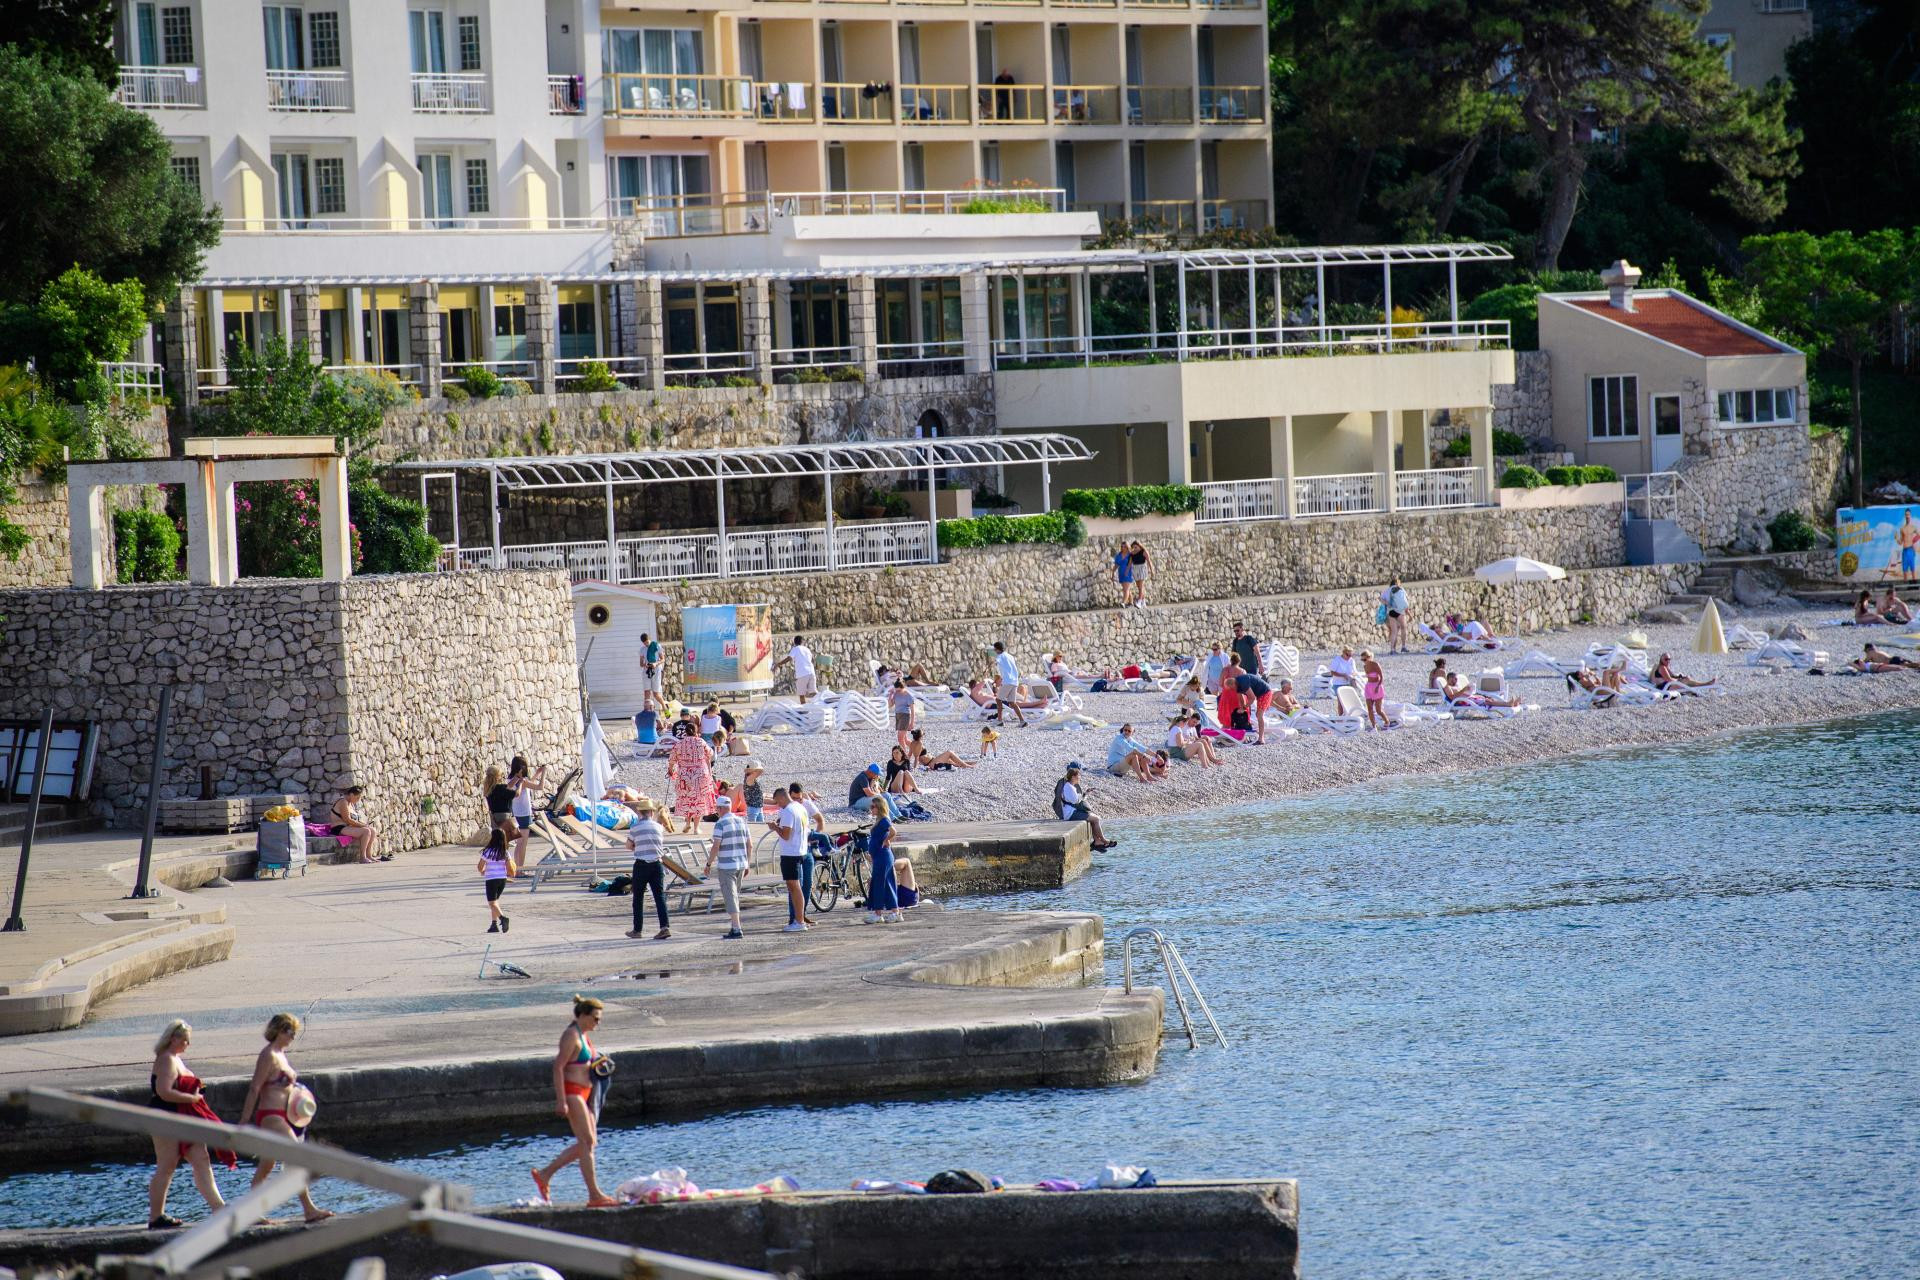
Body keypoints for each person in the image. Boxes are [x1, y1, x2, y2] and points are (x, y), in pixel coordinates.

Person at [239, 1013, 332, 1225]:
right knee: (296, 1157)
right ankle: (309, 1209)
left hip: (284, 1115)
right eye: (290, 1031)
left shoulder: (281, 1054)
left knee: (267, 1165)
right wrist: (244, 1120)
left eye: (294, 1032)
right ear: (279, 1031)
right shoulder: (268, 1055)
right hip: (271, 1116)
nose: (293, 1036)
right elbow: (255, 1088)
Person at [146, 1019, 232, 1230]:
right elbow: (164, 1092)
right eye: (185, 1040)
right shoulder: (166, 1059)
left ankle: (219, 1208)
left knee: (202, 1159)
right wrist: (192, 1098)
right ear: (173, 1038)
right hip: (167, 1117)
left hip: (184, 1117)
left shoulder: (175, 1059)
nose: (188, 1044)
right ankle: (156, 1217)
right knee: (167, 1165)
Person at [532, 997, 617, 1208]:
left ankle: (545, 1174)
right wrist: (561, 1100)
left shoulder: (584, 1035)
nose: (598, 1022)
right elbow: (558, 1067)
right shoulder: (571, 1035)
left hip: (585, 1092)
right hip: (573, 1093)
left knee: (589, 1143)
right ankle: (594, 1195)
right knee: (586, 1142)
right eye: (595, 1018)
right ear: (583, 1015)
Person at [703, 795, 751, 939]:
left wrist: (708, 864)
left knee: (730, 896)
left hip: (726, 865)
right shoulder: (742, 821)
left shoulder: (720, 824)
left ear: (719, 809)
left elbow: (716, 846)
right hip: (741, 864)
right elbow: (749, 845)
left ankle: (736, 928)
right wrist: (747, 863)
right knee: (735, 895)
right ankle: (734, 926)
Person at [623, 796, 670, 940]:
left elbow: (628, 846)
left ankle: (637, 930)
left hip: (641, 864)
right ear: (651, 812)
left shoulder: (635, 827)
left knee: (638, 897)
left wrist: (637, 846)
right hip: (657, 864)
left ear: (640, 812)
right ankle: (664, 927)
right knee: (659, 897)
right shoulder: (659, 827)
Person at [773, 781, 814, 931]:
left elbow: (786, 835)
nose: (778, 805)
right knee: (796, 887)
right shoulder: (800, 807)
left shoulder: (788, 811)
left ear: (782, 798)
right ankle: (799, 919)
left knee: (794, 887)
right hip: (801, 850)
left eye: (778, 802)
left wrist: (775, 827)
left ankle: (799, 921)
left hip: (791, 853)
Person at [665, 720, 716, 836]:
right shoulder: (701, 742)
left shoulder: (679, 743)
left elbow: (671, 759)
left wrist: (670, 770)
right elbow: (710, 754)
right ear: (696, 731)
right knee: (698, 801)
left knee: (686, 799)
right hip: (700, 775)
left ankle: (688, 823)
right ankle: (696, 828)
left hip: (684, 775)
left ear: (685, 732)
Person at [1051, 763, 1115, 850]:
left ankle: (1097, 841)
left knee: (1094, 818)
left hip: (1073, 811)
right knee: (1096, 819)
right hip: (1071, 814)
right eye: (1078, 776)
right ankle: (1104, 840)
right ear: (1073, 777)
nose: (1080, 777)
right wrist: (1082, 795)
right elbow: (1075, 801)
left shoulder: (1070, 786)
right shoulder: (1068, 787)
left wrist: (1085, 794)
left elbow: (1076, 799)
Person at [862, 796, 902, 924]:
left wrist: (886, 840)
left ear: (879, 807)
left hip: (883, 856)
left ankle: (879, 913)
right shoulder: (879, 820)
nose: (871, 809)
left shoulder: (884, 820)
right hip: (880, 856)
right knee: (886, 884)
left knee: (879, 884)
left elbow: (893, 831)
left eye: (873, 806)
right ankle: (893, 912)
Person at [507, 756, 547, 867]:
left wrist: (537, 773)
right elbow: (540, 787)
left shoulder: (511, 779)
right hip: (524, 814)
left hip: (516, 814)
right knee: (523, 844)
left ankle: (517, 869)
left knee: (519, 843)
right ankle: (520, 869)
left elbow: (528, 785)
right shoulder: (521, 781)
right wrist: (544, 773)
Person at [329, 785, 384, 863]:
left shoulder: (350, 804)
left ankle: (369, 856)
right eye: (357, 797)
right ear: (351, 795)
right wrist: (363, 826)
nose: (358, 800)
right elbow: (347, 820)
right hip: (338, 828)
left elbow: (354, 820)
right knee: (366, 831)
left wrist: (364, 824)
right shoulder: (343, 802)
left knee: (373, 830)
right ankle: (362, 857)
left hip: (348, 827)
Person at [476, 827, 516, 934]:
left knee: (492, 903)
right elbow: (508, 866)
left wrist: (483, 871)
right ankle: (494, 924)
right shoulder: (505, 852)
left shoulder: (488, 852)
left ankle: (503, 918)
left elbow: (480, 866)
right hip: (502, 879)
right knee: (495, 902)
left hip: (491, 879)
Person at [1230, 664, 1274, 743]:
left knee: (1259, 715)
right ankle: (1259, 737)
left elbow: (1252, 698)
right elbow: (1241, 699)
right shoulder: (1237, 686)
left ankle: (1261, 739)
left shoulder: (1243, 683)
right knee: (1258, 715)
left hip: (1265, 692)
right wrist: (1242, 708)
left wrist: (1244, 708)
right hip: (1260, 694)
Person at [773, 635, 818, 703]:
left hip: (802, 674)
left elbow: (789, 658)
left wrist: (778, 664)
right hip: (811, 673)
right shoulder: (807, 649)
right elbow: (812, 660)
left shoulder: (796, 649)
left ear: (794, 642)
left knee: (802, 694)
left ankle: (804, 708)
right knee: (813, 693)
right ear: (802, 642)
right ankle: (818, 706)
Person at [910, 728, 974, 771]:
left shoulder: (912, 743)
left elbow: (909, 755)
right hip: (931, 763)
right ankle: (966, 765)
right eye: (923, 736)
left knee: (950, 761)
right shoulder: (919, 743)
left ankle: (965, 763)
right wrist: (915, 768)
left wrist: (908, 765)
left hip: (931, 761)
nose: (923, 737)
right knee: (949, 753)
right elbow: (916, 757)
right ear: (920, 737)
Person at [992, 642, 1024, 722]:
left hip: (1007, 681)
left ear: (997, 649)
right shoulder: (1010, 656)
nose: (994, 651)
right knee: (1012, 702)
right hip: (1015, 681)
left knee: (998, 700)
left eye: (995, 649)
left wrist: (993, 662)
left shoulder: (1000, 656)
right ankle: (1022, 721)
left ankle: (999, 721)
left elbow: (996, 661)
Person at [1651, 653, 1717, 690]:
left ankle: (1703, 686)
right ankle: (1705, 685)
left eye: (1669, 659)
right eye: (1666, 659)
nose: (1668, 661)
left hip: (1667, 686)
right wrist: (1679, 680)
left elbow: (1673, 676)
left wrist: (1680, 677)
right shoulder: (1662, 668)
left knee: (1686, 680)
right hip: (1665, 688)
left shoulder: (1665, 667)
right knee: (1686, 681)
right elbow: (1669, 680)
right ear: (1661, 660)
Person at [484, 765, 516, 836]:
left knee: (497, 837)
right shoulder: (501, 788)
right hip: (504, 816)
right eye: (501, 775)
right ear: (497, 777)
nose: (502, 777)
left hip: (494, 816)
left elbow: (507, 787)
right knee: (508, 837)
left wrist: (516, 778)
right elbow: (516, 793)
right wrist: (521, 784)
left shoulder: (488, 788)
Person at [1381, 578, 1411, 654]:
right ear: (1398, 583)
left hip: (1391, 611)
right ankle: (1403, 647)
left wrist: (1387, 604)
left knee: (1394, 631)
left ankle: (1392, 650)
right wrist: (1409, 614)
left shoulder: (1386, 591)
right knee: (1403, 628)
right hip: (1400, 611)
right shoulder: (1401, 589)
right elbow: (1404, 602)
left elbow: (1382, 600)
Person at [638, 632, 664, 712]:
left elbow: (663, 659)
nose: (646, 644)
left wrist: (655, 664)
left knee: (656, 694)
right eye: (644, 643)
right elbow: (641, 664)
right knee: (647, 692)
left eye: (647, 642)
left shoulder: (656, 645)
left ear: (649, 639)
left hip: (656, 671)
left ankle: (665, 707)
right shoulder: (642, 649)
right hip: (647, 672)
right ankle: (647, 711)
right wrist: (645, 665)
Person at [1361, 650, 1386, 730]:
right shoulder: (1365, 666)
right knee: (1369, 708)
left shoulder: (1376, 665)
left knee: (1378, 710)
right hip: (1368, 687)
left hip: (1377, 686)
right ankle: (1374, 726)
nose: (1364, 661)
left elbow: (1381, 677)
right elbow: (1368, 678)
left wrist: (1378, 687)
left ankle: (1387, 721)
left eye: (1364, 659)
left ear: (1369, 657)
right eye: (1362, 660)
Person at [889, 679, 917, 749]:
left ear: (903, 687)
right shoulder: (896, 693)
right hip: (898, 716)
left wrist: (912, 723)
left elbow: (913, 711)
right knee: (905, 739)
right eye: (896, 690)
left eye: (899, 690)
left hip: (905, 716)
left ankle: (904, 755)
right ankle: (919, 749)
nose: (897, 692)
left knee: (900, 738)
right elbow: (890, 705)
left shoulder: (909, 696)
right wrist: (891, 694)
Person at [1128, 541, 1154, 607]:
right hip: (1135, 569)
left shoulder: (1144, 551)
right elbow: (1130, 564)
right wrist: (1127, 572)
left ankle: (1139, 601)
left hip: (1142, 568)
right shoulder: (1132, 553)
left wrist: (1152, 571)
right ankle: (1143, 601)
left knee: (1141, 585)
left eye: (1136, 547)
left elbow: (1149, 561)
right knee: (1139, 586)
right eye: (1133, 547)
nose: (1135, 548)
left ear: (1139, 546)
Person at [1112, 541, 1136, 609]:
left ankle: (1123, 602)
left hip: (1128, 573)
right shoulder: (1118, 556)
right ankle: (1131, 603)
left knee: (1126, 589)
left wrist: (1127, 571)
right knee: (1126, 589)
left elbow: (1131, 564)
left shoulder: (1130, 555)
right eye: (1122, 546)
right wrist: (1112, 573)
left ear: (1127, 547)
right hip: (1121, 574)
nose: (1123, 548)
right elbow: (1116, 565)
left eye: (1125, 546)